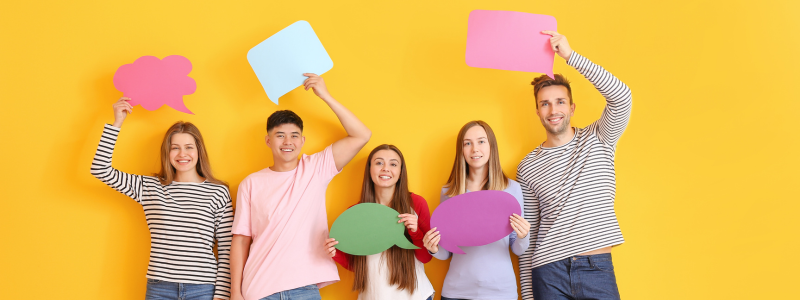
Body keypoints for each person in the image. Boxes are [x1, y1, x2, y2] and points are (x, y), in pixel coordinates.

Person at [229, 73, 372, 300]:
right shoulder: (251, 183)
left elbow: (362, 135)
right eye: (280, 135)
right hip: (258, 289)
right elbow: (240, 240)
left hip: (304, 289)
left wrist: (325, 95)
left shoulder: (316, 168)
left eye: (294, 135)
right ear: (268, 140)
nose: (288, 142)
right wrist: (234, 292)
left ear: (302, 141)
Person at [516, 31, 633, 300]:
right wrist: (528, 295)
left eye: (560, 102)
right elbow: (528, 236)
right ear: (537, 112)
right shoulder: (527, 167)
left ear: (572, 107)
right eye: (545, 104)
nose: (553, 110)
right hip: (547, 271)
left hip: (596, 268)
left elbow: (622, 97)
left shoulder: (599, 137)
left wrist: (570, 56)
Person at [91, 97, 233, 300]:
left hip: (203, 289)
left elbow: (227, 248)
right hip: (160, 289)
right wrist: (117, 123)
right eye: (175, 147)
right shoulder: (149, 187)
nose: (182, 154)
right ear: (167, 152)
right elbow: (100, 169)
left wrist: (222, 295)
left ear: (199, 151)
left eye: (189, 147)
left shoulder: (218, 192)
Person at [422, 120, 530, 300]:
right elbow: (446, 253)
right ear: (461, 150)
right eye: (467, 143)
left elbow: (518, 249)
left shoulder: (512, 189)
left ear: (491, 146)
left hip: (501, 293)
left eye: (481, 141)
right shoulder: (449, 192)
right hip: (456, 292)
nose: (475, 149)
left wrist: (523, 235)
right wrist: (433, 249)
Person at [325, 144, 435, 300]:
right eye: (379, 163)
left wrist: (415, 232)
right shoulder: (355, 213)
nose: (385, 168)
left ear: (400, 172)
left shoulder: (416, 203)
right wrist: (335, 253)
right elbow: (359, 266)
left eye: (393, 164)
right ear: (370, 169)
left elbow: (426, 257)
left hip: (415, 295)